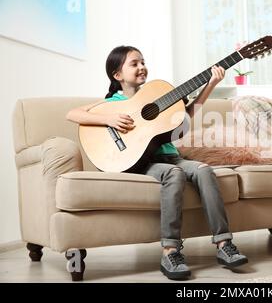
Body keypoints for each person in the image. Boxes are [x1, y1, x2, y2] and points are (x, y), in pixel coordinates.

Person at [66, 45, 248, 280]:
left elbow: (186, 116)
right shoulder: (112, 103)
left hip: (171, 156)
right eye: (134, 64)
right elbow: (72, 114)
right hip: (144, 163)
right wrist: (108, 118)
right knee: (174, 173)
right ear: (117, 75)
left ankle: (224, 245)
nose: (142, 67)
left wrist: (210, 85)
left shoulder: (156, 96)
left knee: (204, 170)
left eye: (143, 62)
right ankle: (170, 251)